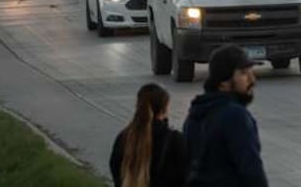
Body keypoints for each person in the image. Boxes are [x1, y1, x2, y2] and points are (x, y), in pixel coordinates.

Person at [183, 45, 268, 187]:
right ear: (223, 82)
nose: (252, 80)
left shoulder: (195, 114)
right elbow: (252, 171)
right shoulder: (235, 116)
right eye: (244, 73)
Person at [109, 83, 187, 187]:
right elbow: (184, 175)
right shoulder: (175, 140)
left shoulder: (124, 138)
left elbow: (115, 170)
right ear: (165, 109)